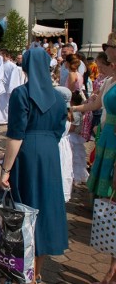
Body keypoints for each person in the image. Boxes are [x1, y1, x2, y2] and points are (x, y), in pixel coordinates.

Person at [0, 47, 68, 284]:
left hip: (28, 155)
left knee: (22, 213)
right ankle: (36, 273)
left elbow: (15, 135)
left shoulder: (21, 93)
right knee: (45, 211)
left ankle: (19, 275)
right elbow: (59, 130)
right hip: (50, 154)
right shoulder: (59, 97)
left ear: (25, 67)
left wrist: (6, 169)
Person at [73, 34, 116, 284]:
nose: (105, 51)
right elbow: (97, 104)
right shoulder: (110, 80)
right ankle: (112, 265)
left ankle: (112, 269)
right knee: (109, 201)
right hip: (107, 139)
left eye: (108, 47)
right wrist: (72, 109)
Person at [0, 49, 23, 126]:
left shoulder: (12, 66)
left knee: (6, 104)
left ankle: (6, 119)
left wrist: (11, 89)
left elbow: (14, 78)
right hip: (0, 87)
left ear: (5, 56)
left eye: (1, 55)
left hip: (7, 87)